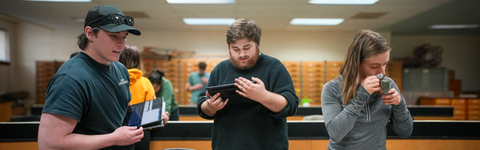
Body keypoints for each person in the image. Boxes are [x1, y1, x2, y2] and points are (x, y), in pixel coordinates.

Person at [38, 5, 144, 150]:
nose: (121, 44)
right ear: (90, 33)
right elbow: (49, 143)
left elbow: (123, 110)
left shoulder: (120, 69)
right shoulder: (71, 78)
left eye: (124, 37)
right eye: (113, 36)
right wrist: (112, 139)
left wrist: (150, 117)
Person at [196, 18, 299, 150]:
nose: (242, 54)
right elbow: (203, 107)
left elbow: (291, 106)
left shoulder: (274, 67)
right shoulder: (220, 70)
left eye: (247, 48)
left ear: (256, 44)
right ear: (229, 48)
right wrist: (211, 106)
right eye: (235, 49)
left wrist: (264, 96)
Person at [321, 29, 413, 150]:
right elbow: (336, 134)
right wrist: (362, 94)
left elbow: (405, 132)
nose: (382, 72)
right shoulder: (332, 88)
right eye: (374, 66)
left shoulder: (388, 84)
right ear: (356, 63)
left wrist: (399, 104)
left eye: (385, 64)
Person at [119, 45, 169, 150]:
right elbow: (152, 113)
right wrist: (161, 115)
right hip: (140, 133)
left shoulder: (111, 81)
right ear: (138, 62)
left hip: (116, 133)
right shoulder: (145, 82)